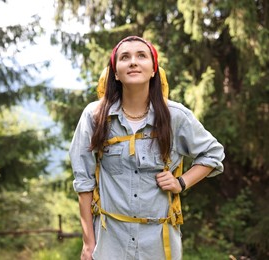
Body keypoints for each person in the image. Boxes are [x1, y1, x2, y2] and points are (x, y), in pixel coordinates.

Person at [69, 36, 225, 260]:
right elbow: (83, 181)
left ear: (154, 70)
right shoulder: (95, 116)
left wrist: (181, 182)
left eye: (141, 56)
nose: (133, 62)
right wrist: (88, 242)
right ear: (115, 72)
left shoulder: (175, 116)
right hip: (110, 241)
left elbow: (213, 154)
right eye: (125, 57)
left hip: (159, 244)